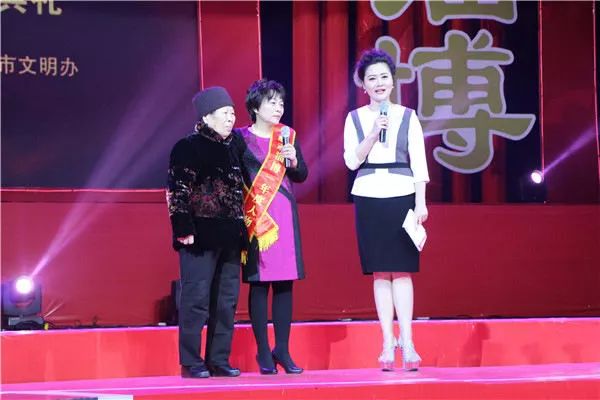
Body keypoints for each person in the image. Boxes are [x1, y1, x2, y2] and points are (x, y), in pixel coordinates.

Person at [343, 49, 430, 371]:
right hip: (368, 194)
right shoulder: (354, 118)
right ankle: (386, 341)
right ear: (363, 85)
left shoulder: (408, 116)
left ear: (392, 81)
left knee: (402, 270)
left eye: (383, 77)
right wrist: (371, 133)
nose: (378, 83)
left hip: (402, 193)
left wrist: (420, 202)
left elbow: (419, 162)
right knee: (380, 272)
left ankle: (408, 341)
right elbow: (351, 161)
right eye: (371, 78)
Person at [166, 86, 247, 379]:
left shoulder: (234, 147)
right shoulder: (188, 146)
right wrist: (183, 228)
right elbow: (178, 190)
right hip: (199, 235)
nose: (231, 119)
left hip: (231, 235)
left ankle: (218, 359)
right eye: (225, 113)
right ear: (206, 116)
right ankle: (191, 361)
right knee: (196, 299)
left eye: (233, 113)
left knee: (225, 301)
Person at [238, 78, 308, 375]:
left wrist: (293, 162)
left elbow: (302, 175)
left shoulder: (287, 136)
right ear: (255, 107)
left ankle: (283, 348)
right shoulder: (239, 138)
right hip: (255, 216)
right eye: (272, 102)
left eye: (281, 102)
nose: (279, 107)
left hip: (284, 215)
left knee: (284, 283)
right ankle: (263, 351)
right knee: (259, 283)